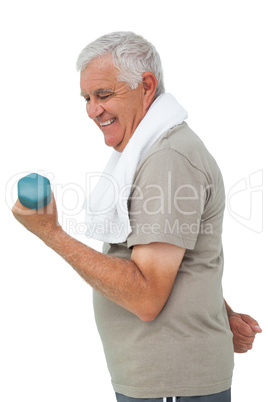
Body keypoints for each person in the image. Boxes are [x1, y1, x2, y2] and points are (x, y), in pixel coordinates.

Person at [12, 32, 262, 402]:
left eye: (104, 95)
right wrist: (220, 311)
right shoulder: (151, 153)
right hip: (163, 380)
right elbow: (178, 259)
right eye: (87, 98)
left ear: (146, 86)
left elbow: (146, 296)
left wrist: (51, 233)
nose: (92, 110)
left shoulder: (167, 160)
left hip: (171, 384)